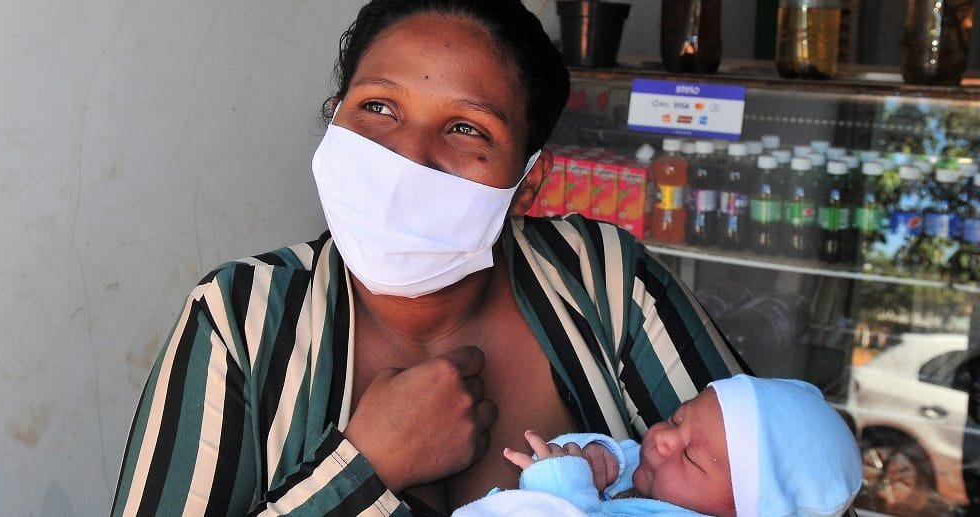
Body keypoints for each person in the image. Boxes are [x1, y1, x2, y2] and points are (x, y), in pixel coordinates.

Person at [110, 0, 747, 515]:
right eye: (378, 107)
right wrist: (365, 468)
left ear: (526, 183)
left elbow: (772, 483)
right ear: (335, 122)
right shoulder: (241, 320)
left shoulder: (603, 279)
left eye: (467, 127)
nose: (406, 158)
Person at [453, 375, 863, 517]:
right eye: (676, 418)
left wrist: (565, 494)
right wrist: (594, 455)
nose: (663, 437)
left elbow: (563, 491)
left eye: (690, 456)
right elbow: (568, 462)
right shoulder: (645, 472)